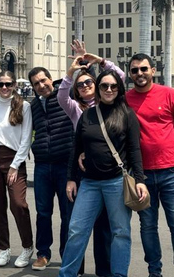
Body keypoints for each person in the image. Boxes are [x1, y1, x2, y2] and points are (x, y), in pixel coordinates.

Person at [60, 70, 147, 277]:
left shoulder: (127, 114)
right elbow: (76, 147)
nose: (109, 90)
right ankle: (67, 274)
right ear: (98, 89)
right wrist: (71, 178)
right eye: (104, 86)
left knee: (120, 232)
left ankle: (118, 274)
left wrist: (140, 180)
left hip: (116, 182)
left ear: (119, 89)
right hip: (89, 183)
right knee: (76, 230)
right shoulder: (88, 115)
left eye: (113, 86)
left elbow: (135, 150)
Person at [125, 54, 174, 277]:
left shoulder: (169, 94)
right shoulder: (125, 99)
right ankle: (155, 272)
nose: (139, 74)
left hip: (171, 171)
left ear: (153, 70)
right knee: (148, 227)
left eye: (144, 69)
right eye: (134, 70)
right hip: (141, 176)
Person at [57, 41, 122, 276]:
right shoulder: (76, 109)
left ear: (97, 84)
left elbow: (120, 79)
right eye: (80, 85)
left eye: (88, 82)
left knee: (104, 227)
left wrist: (101, 62)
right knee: (77, 226)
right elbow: (61, 96)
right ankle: (75, 270)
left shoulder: (112, 104)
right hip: (83, 172)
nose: (84, 86)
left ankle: (104, 270)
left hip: (108, 171)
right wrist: (71, 71)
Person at [0, 71, 34, 268]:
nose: (4, 88)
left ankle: (27, 246)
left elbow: (26, 138)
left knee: (18, 203)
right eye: (1, 84)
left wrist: (15, 165)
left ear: (14, 85)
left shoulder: (24, 106)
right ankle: (4, 249)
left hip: (14, 158)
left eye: (8, 84)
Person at [27, 66, 75, 272]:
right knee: (43, 212)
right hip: (43, 166)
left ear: (50, 79)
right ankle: (43, 254)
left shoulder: (65, 97)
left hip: (65, 165)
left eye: (43, 80)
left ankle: (67, 254)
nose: (41, 85)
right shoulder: (33, 106)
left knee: (67, 213)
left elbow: (85, 85)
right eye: (36, 83)